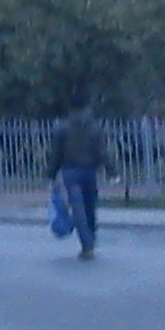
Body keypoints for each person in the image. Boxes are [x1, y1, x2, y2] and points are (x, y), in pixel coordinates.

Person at [53, 100, 105, 260]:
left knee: (78, 208)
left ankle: (86, 246)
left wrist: (51, 173)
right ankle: (91, 236)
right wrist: (111, 170)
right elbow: (101, 151)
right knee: (90, 206)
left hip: (71, 172)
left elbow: (56, 153)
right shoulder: (95, 128)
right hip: (89, 171)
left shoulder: (62, 128)